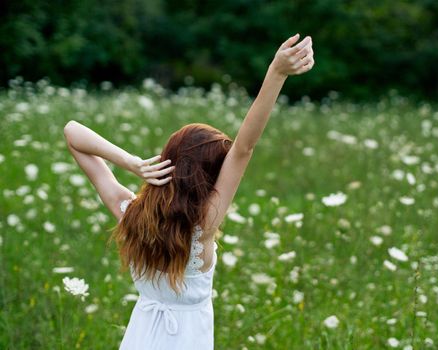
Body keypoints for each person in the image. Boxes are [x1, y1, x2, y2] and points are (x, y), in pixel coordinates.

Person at [63, 34, 314, 349]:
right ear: (207, 179)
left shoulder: (130, 212)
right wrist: (276, 73)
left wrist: (132, 163)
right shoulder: (203, 225)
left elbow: (72, 132)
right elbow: (244, 148)